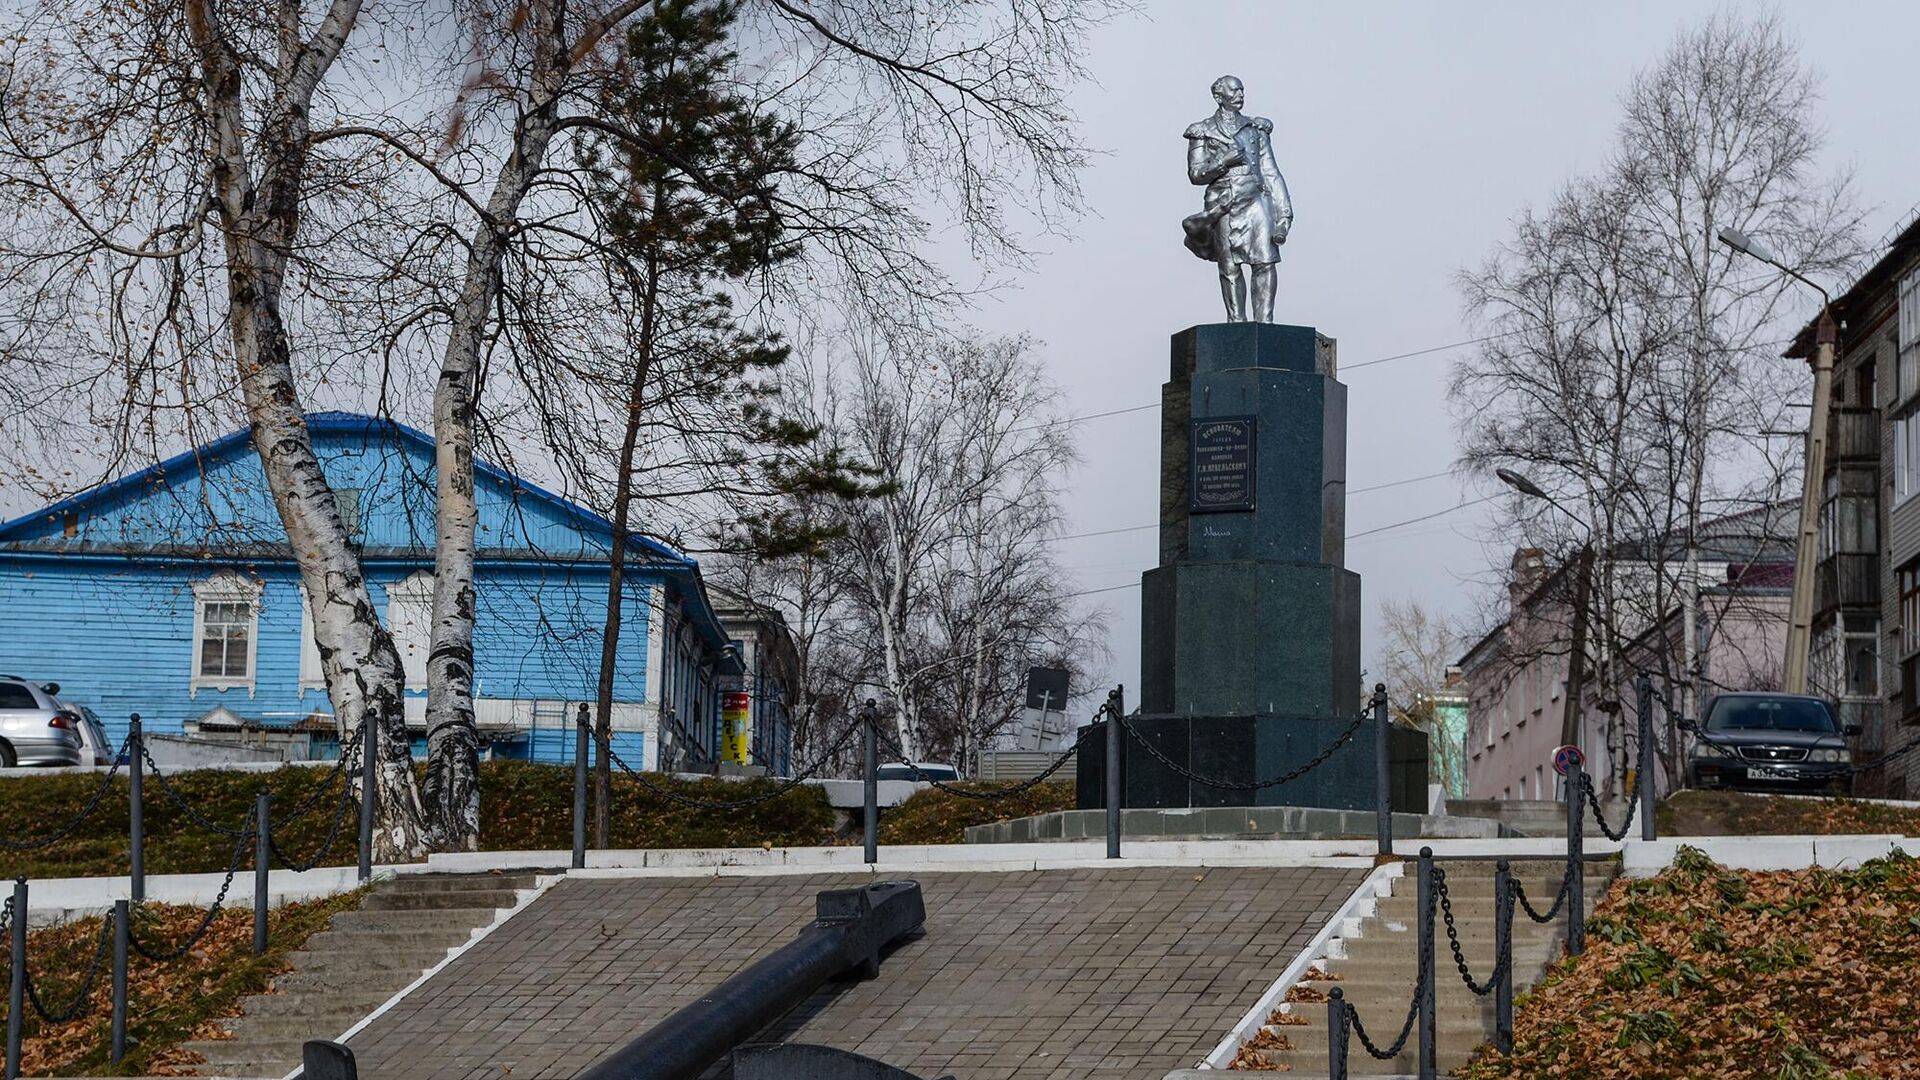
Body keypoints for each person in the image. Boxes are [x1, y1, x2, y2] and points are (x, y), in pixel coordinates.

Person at [1182, 75, 1293, 323]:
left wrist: (1284, 214)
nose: (1240, 95)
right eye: (1234, 91)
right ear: (1218, 97)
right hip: (1223, 203)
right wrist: (1224, 161)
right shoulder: (1202, 130)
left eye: (1242, 90)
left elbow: (1271, 172)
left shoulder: (1255, 130)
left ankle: (1265, 323)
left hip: (1255, 199)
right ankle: (1236, 322)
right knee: (1230, 266)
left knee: (1265, 261)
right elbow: (1196, 174)